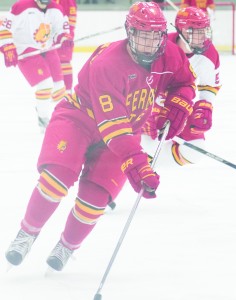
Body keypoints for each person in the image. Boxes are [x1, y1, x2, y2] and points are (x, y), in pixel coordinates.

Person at [5, 1, 196, 272]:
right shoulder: (108, 62)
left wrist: (179, 103)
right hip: (79, 120)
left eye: (155, 35)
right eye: (143, 35)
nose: (149, 43)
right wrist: (138, 163)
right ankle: (27, 233)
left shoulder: (171, 56)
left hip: (122, 133)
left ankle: (67, 246)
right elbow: (113, 124)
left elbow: (185, 81)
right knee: (56, 180)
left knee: (95, 199)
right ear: (130, 33)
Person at [107, 6, 221, 212]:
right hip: (148, 108)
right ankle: (106, 187)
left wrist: (205, 105)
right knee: (127, 148)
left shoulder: (210, 54)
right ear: (180, 31)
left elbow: (209, 84)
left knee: (196, 150)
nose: (201, 36)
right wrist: (149, 112)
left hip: (180, 109)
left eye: (204, 30)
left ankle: (149, 161)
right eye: (194, 31)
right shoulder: (160, 46)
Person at [0, 0, 73, 133]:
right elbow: (4, 28)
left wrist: (64, 38)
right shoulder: (21, 7)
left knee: (59, 89)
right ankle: (43, 118)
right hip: (26, 49)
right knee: (45, 85)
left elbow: (62, 30)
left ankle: (58, 118)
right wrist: (7, 46)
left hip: (48, 48)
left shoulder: (57, 9)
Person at [54, 0, 77, 93]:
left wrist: (68, 35)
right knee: (51, 63)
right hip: (48, 37)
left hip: (64, 37)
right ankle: (56, 90)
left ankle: (67, 90)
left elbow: (71, 18)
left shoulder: (68, 1)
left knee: (64, 62)